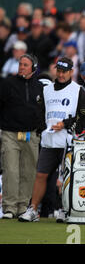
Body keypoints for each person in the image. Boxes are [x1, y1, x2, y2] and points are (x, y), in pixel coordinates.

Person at [18, 57, 85, 222]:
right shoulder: (47, 89)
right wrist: (42, 127)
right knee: (41, 175)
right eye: (59, 70)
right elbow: (39, 111)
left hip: (68, 140)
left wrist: (65, 124)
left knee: (67, 177)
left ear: (72, 72)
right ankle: (33, 209)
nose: (61, 74)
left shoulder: (78, 90)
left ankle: (65, 209)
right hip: (49, 140)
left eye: (65, 71)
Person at [0, 54, 42, 219]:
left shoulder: (39, 86)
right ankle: (9, 207)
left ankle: (23, 207)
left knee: (29, 171)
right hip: (10, 133)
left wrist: (40, 128)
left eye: (25, 65)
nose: (21, 67)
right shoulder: (7, 83)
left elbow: (42, 110)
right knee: (10, 170)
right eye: (20, 64)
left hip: (31, 134)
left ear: (33, 67)